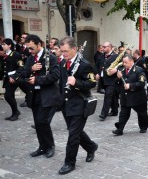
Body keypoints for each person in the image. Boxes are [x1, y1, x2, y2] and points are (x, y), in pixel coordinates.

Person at [58, 36, 98, 175]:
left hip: (80, 104)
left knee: (73, 135)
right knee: (76, 131)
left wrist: (77, 83)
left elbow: (92, 83)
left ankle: (69, 162)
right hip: (67, 104)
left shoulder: (84, 64)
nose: (63, 54)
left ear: (74, 49)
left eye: (66, 51)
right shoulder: (64, 63)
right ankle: (91, 146)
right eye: (62, 51)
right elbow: (62, 83)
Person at [17, 34, 61, 158]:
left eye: (31, 48)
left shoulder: (50, 58)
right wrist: (31, 68)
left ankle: (51, 146)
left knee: (43, 121)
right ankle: (42, 147)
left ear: (39, 45)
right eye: (28, 48)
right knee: (37, 123)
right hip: (34, 95)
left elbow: (55, 76)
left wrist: (38, 80)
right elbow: (23, 74)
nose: (29, 51)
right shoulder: (30, 58)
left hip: (47, 95)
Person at [112, 54, 148, 135]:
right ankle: (120, 129)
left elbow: (142, 83)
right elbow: (116, 83)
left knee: (142, 113)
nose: (124, 64)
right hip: (125, 97)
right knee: (123, 113)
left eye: (126, 62)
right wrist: (118, 78)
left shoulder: (139, 70)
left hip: (137, 97)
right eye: (123, 62)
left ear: (132, 61)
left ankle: (143, 127)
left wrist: (131, 85)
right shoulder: (121, 70)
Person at [96, 42, 119, 120]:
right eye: (102, 46)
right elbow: (97, 66)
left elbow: (123, 65)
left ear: (110, 47)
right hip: (103, 80)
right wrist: (97, 73)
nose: (103, 48)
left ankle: (103, 114)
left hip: (112, 79)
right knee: (113, 96)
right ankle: (115, 111)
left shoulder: (116, 56)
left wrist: (116, 69)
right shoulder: (100, 56)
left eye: (105, 47)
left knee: (107, 95)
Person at [1, 38, 23, 121]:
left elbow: (21, 67)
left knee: (8, 96)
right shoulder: (6, 54)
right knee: (11, 96)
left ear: (9, 45)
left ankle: (16, 112)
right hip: (7, 79)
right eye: (2, 44)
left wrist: (14, 76)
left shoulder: (16, 54)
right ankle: (14, 113)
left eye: (4, 44)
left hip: (13, 79)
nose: (2, 46)